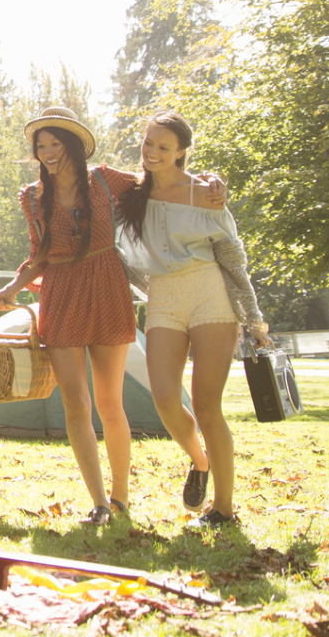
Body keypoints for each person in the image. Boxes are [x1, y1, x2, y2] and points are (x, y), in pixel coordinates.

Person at [0, 107, 227, 528]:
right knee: (75, 404)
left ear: (73, 145)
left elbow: (162, 181)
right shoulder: (32, 197)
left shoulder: (104, 179)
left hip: (106, 286)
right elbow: (38, 254)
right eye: (41, 147)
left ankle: (120, 498)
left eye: (56, 144)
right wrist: (12, 288)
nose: (47, 154)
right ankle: (98, 503)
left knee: (110, 403)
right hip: (60, 295)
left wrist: (209, 180)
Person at [114, 111, 272, 530]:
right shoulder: (130, 195)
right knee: (165, 399)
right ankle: (199, 461)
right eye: (148, 143)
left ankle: (223, 509)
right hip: (164, 297)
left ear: (182, 153)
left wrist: (252, 316)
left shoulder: (206, 195)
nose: (152, 153)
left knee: (207, 404)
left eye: (163, 148)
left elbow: (233, 257)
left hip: (209, 296)